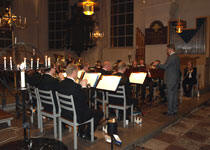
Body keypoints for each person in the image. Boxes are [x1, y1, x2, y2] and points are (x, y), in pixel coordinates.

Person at [58, 64, 103, 140]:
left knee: (83, 108)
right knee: (99, 113)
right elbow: (85, 100)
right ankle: (87, 134)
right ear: (74, 72)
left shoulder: (60, 84)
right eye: (77, 72)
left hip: (64, 113)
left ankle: (80, 132)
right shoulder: (76, 86)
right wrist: (84, 87)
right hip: (75, 116)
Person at [154, 44, 180, 116]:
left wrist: (157, 64)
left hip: (171, 80)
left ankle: (170, 111)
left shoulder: (171, 57)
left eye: (167, 49)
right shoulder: (177, 57)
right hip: (175, 79)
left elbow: (165, 66)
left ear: (170, 49)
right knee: (174, 95)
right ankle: (174, 110)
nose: (167, 51)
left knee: (170, 95)